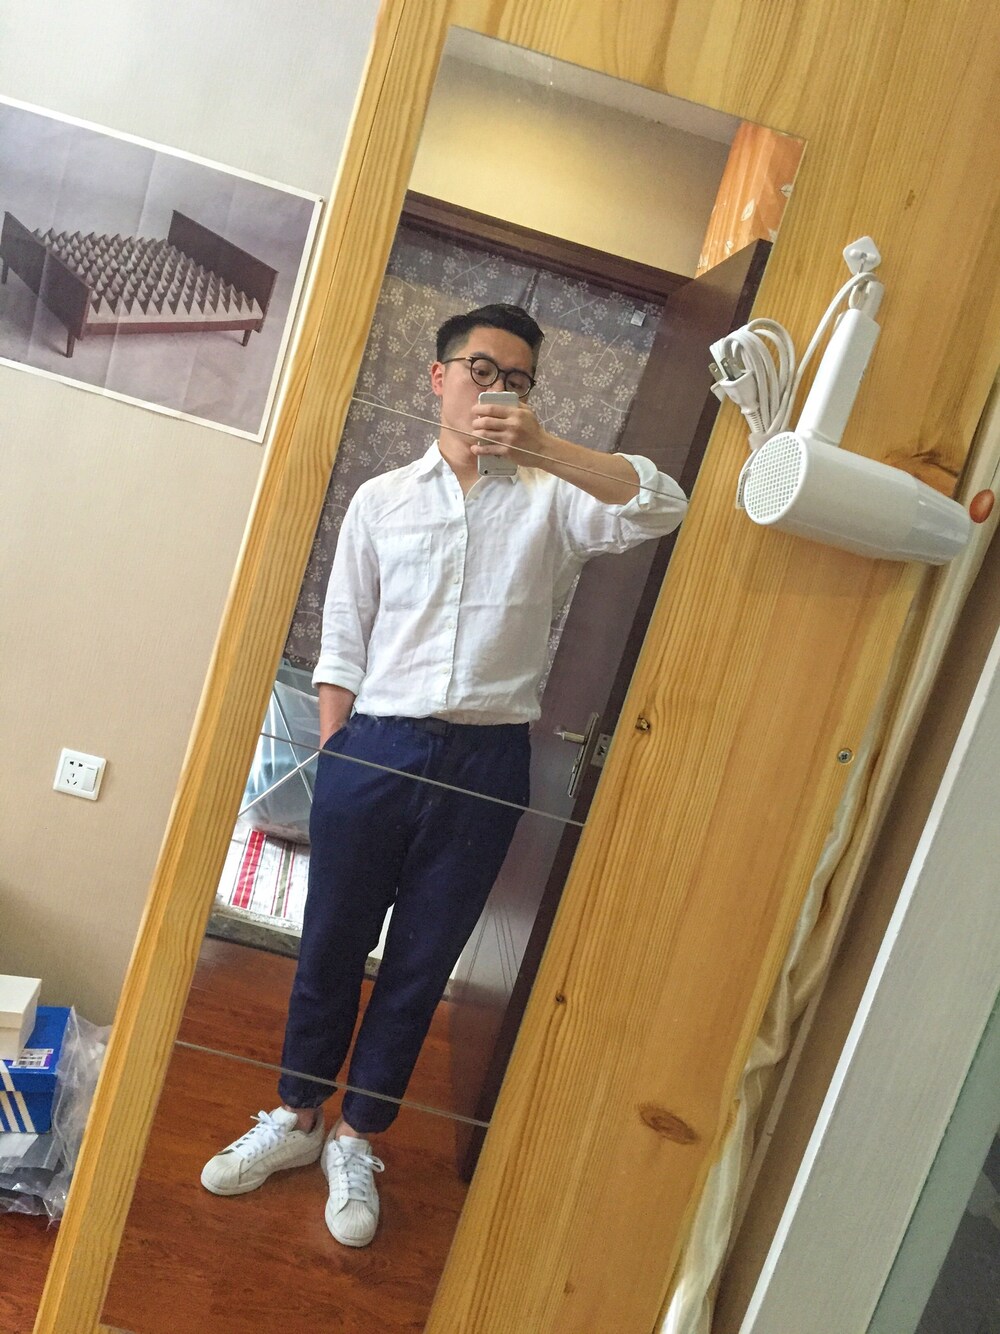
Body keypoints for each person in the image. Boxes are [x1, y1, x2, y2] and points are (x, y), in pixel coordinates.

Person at [201, 303, 687, 1246]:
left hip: (488, 758)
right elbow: (343, 636)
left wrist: (547, 447)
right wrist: (339, 751)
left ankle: (358, 1135)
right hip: (375, 747)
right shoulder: (382, 500)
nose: (497, 391)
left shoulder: (553, 499)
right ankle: (297, 1116)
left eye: (518, 379)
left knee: (424, 960)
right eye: (481, 370)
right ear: (438, 377)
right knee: (330, 942)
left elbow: (662, 505)